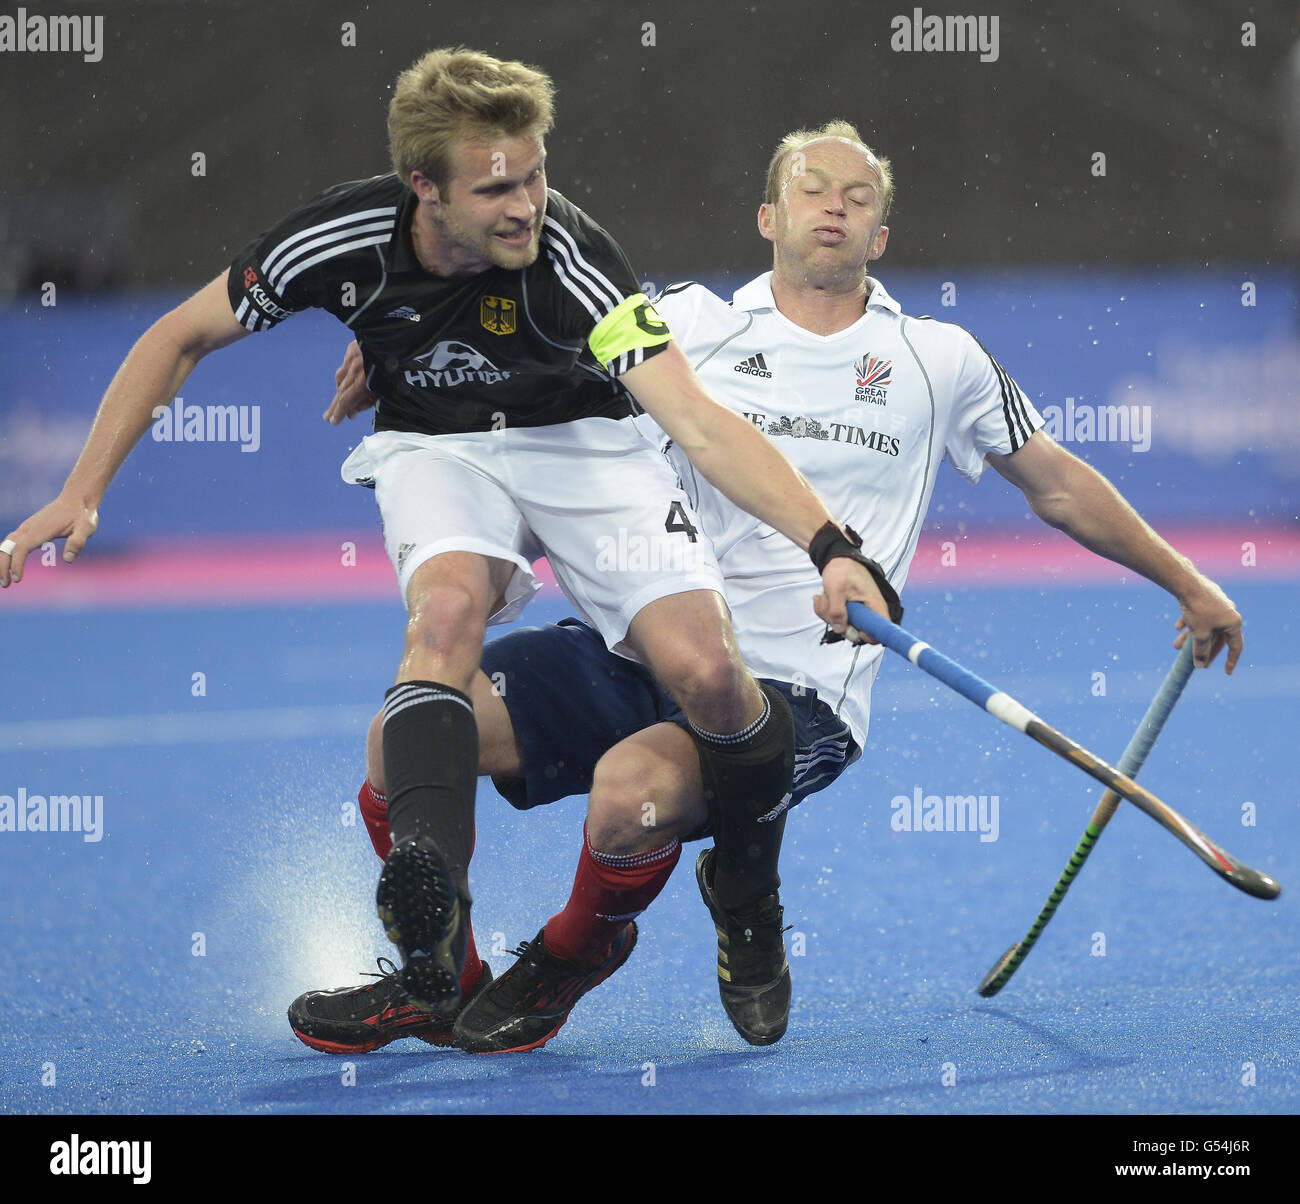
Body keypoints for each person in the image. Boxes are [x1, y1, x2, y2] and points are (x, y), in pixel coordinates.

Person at [289, 121, 1244, 1054]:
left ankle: (576, 952)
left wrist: (1187, 582)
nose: (835, 206)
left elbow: (1059, 483)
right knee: (404, 742)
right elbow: (525, 342)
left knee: (628, 797)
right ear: (766, 218)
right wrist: (396, 344)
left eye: (858, 197)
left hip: (796, 688)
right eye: (811, 190)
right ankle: (439, 979)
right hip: (639, 641)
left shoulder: (941, 359)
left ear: (880, 237)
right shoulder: (690, 323)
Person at [0, 55, 898, 1025]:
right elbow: (177, 335)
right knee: (443, 621)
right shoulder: (337, 239)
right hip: (441, 443)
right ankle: (436, 966)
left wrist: (828, 544)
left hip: (579, 443)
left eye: (535, 174)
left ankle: (747, 895)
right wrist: (82, 492)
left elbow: (702, 425)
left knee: (713, 676)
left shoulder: (571, 258)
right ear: (423, 188)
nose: (526, 205)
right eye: (495, 187)